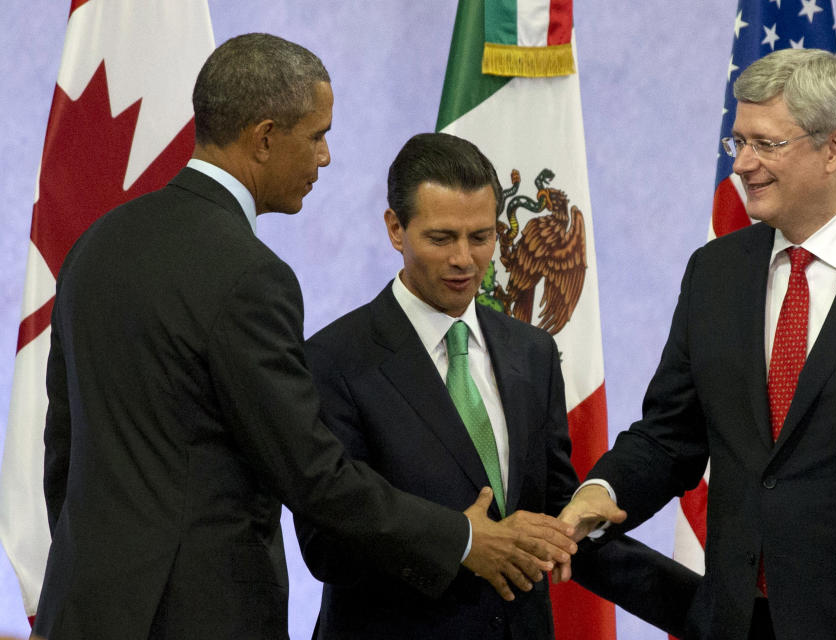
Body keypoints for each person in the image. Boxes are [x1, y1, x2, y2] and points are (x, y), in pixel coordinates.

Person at [34, 34, 577, 640]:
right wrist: (464, 537)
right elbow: (312, 474)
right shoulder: (249, 276)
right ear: (265, 138)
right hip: (197, 615)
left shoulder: (95, 246)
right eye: (317, 135)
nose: (324, 157)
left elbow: (63, 446)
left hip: (80, 609)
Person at [559, 48, 836, 640]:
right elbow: (672, 433)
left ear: (835, 148)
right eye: (737, 142)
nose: (742, 165)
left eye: (765, 144)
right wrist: (602, 489)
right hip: (738, 620)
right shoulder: (714, 273)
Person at [294, 132, 699, 639]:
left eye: (482, 237)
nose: (464, 259)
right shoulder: (333, 360)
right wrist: (460, 542)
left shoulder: (531, 350)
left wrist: (710, 612)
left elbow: (554, 519)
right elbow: (326, 543)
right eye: (441, 238)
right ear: (396, 229)